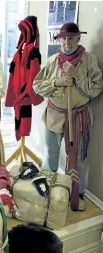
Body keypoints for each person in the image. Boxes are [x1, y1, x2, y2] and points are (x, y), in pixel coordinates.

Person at [33, 22, 102, 211]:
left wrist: (77, 75)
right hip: (55, 115)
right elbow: (37, 85)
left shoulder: (89, 61)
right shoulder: (53, 60)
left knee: (79, 157)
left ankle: (76, 194)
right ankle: (48, 191)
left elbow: (95, 89)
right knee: (51, 154)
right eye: (63, 39)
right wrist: (57, 81)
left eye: (70, 38)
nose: (66, 42)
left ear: (78, 38)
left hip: (79, 117)